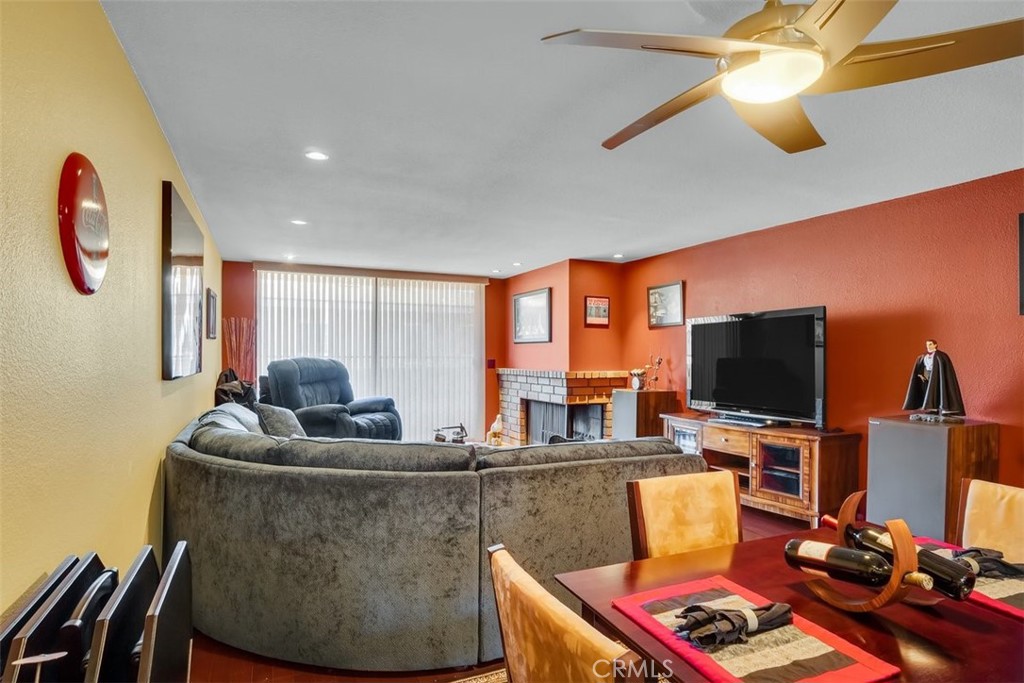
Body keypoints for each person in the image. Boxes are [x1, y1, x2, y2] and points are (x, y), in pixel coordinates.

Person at [903, 339, 965, 415]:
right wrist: (921, 375)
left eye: (930, 344)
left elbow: (944, 369)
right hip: (927, 377)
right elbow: (920, 367)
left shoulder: (941, 356)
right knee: (928, 392)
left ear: (935, 345)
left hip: (938, 377)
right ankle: (932, 408)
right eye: (927, 345)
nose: (928, 346)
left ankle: (944, 408)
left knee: (940, 391)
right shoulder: (923, 356)